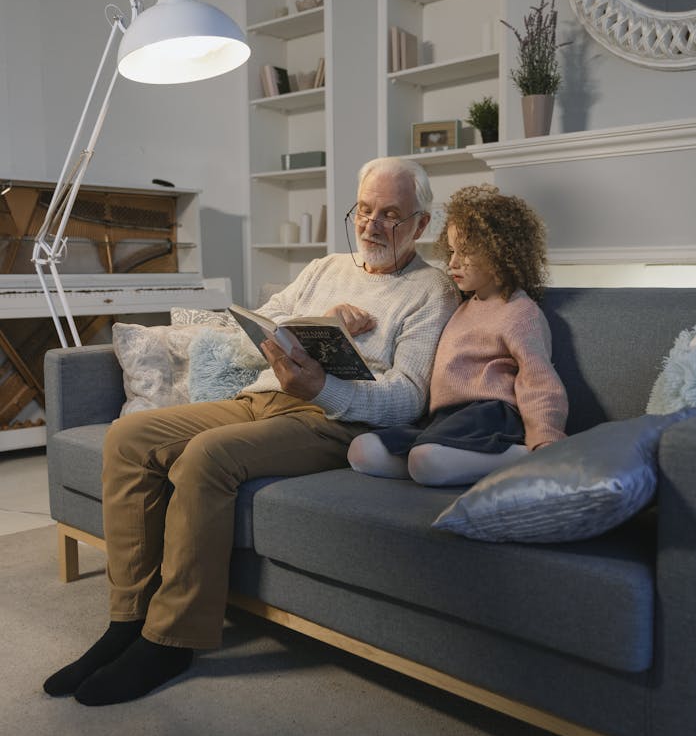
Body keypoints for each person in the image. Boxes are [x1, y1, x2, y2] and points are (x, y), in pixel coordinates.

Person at [44, 157, 460, 705]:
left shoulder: (431, 291)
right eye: (363, 210)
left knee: (205, 457)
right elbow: (247, 333)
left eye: (390, 215)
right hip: (259, 398)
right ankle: (129, 619)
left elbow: (409, 397)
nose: (372, 225)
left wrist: (323, 391)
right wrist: (313, 325)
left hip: (331, 422)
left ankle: (171, 640)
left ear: (421, 225)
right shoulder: (323, 269)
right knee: (129, 439)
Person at [347, 184, 568, 486]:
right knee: (362, 451)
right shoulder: (462, 305)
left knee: (425, 459)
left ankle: (530, 459)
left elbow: (539, 381)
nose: (452, 263)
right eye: (452, 251)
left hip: (490, 416)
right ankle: (431, 464)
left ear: (501, 252)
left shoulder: (521, 313)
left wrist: (545, 439)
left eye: (466, 252)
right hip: (445, 419)